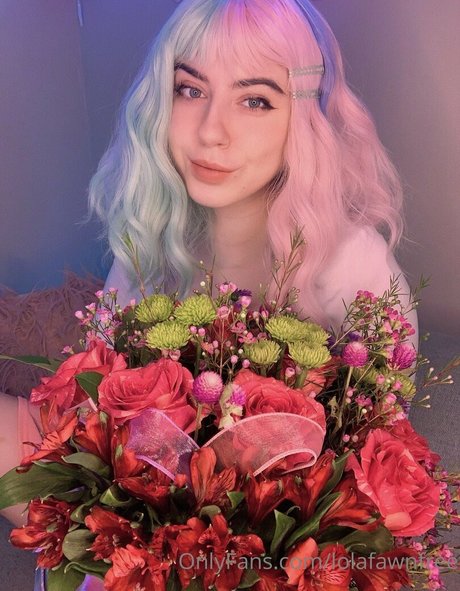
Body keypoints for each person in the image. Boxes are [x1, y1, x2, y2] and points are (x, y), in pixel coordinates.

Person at [0, 0, 418, 587]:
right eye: (190, 90)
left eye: (255, 100)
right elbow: (99, 407)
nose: (210, 131)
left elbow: (378, 462)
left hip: (263, 546)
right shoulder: (150, 238)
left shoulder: (355, 264)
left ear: (306, 118)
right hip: (145, 502)